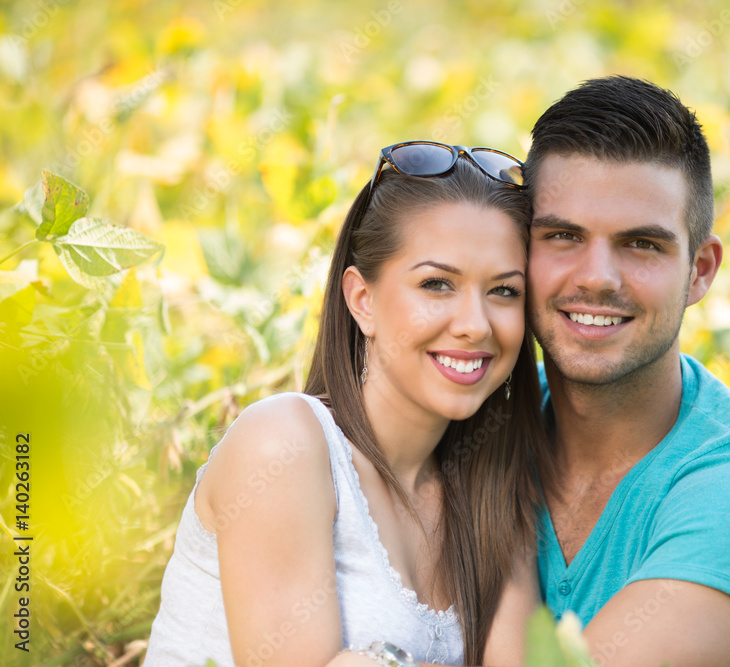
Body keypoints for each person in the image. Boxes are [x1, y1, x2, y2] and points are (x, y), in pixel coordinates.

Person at [145, 141, 553, 667]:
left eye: (503, 292)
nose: (475, 323)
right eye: (437, 284)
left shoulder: (491, 492)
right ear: (362, 300)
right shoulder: (285, 442)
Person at [522, 76, 730, 666]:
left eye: (641, 244)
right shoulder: (482, 427)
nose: (597, 278)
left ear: (700, 270)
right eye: (562, 235)